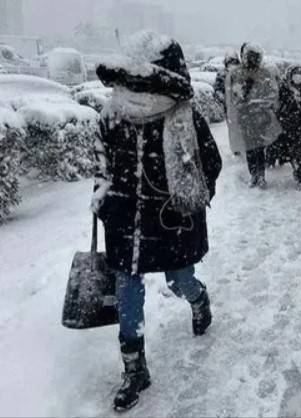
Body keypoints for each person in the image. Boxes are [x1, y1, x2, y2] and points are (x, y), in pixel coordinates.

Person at [93, 31, 222, 412]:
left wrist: (188, 200)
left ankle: (199, 299)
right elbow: (101, 166)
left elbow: (209, 164)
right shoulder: (112, 114)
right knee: (128, 290)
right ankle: (134, 369)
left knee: (178, 279)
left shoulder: (184, 117)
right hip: (125, 223)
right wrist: (104, 201)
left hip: (170, 221)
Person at [226, 42, 281, 188]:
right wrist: (243, 101)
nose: (251, 60)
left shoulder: (264, 73)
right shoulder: (237, 73)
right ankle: (254, 175)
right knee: (250, 148)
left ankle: (260, 175)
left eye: (253, 57)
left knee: (258, 147)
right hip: (246, 116)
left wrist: (260, 104)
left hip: (260, 117)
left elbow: (272, 94)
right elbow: (233, 96)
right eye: (249, 57)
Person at [277, 65, 301, 189]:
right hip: (288, 127)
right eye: (295, 74)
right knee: (290, 152)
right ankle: (295, 168)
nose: (297, 77)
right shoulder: (284, 89)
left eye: (300, 74)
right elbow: (280, 107)